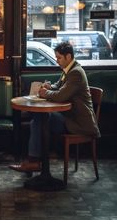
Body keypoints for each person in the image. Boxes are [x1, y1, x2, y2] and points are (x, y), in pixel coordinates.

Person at [9, 41, 100, 172]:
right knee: (39, 119)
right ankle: (36, 161)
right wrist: (49, 86)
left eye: (59, 58)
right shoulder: (69, 70)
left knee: (39, 120)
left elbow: (61, 96)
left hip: (78, 122)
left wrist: (45, 93)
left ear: (68, 57)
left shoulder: (76, 73)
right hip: (70, 116)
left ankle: (35, 161)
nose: (57, 61)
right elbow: (58, 86)